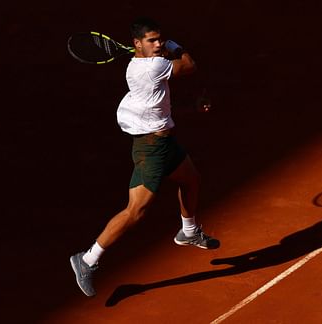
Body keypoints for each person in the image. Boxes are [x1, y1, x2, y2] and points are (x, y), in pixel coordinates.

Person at [70, 17, 220, 297]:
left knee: (190, 179)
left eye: (160, 39)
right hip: (151, 150)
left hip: (163, 141)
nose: (159, 44)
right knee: (135, 211)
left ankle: (188, 231)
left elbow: (161, 110)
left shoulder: (144, 66)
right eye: (152, 40)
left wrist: (192, 108)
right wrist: (176, 46)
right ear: (137, 44)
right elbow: (189, 65)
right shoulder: (154, 67)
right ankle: (87, 259)